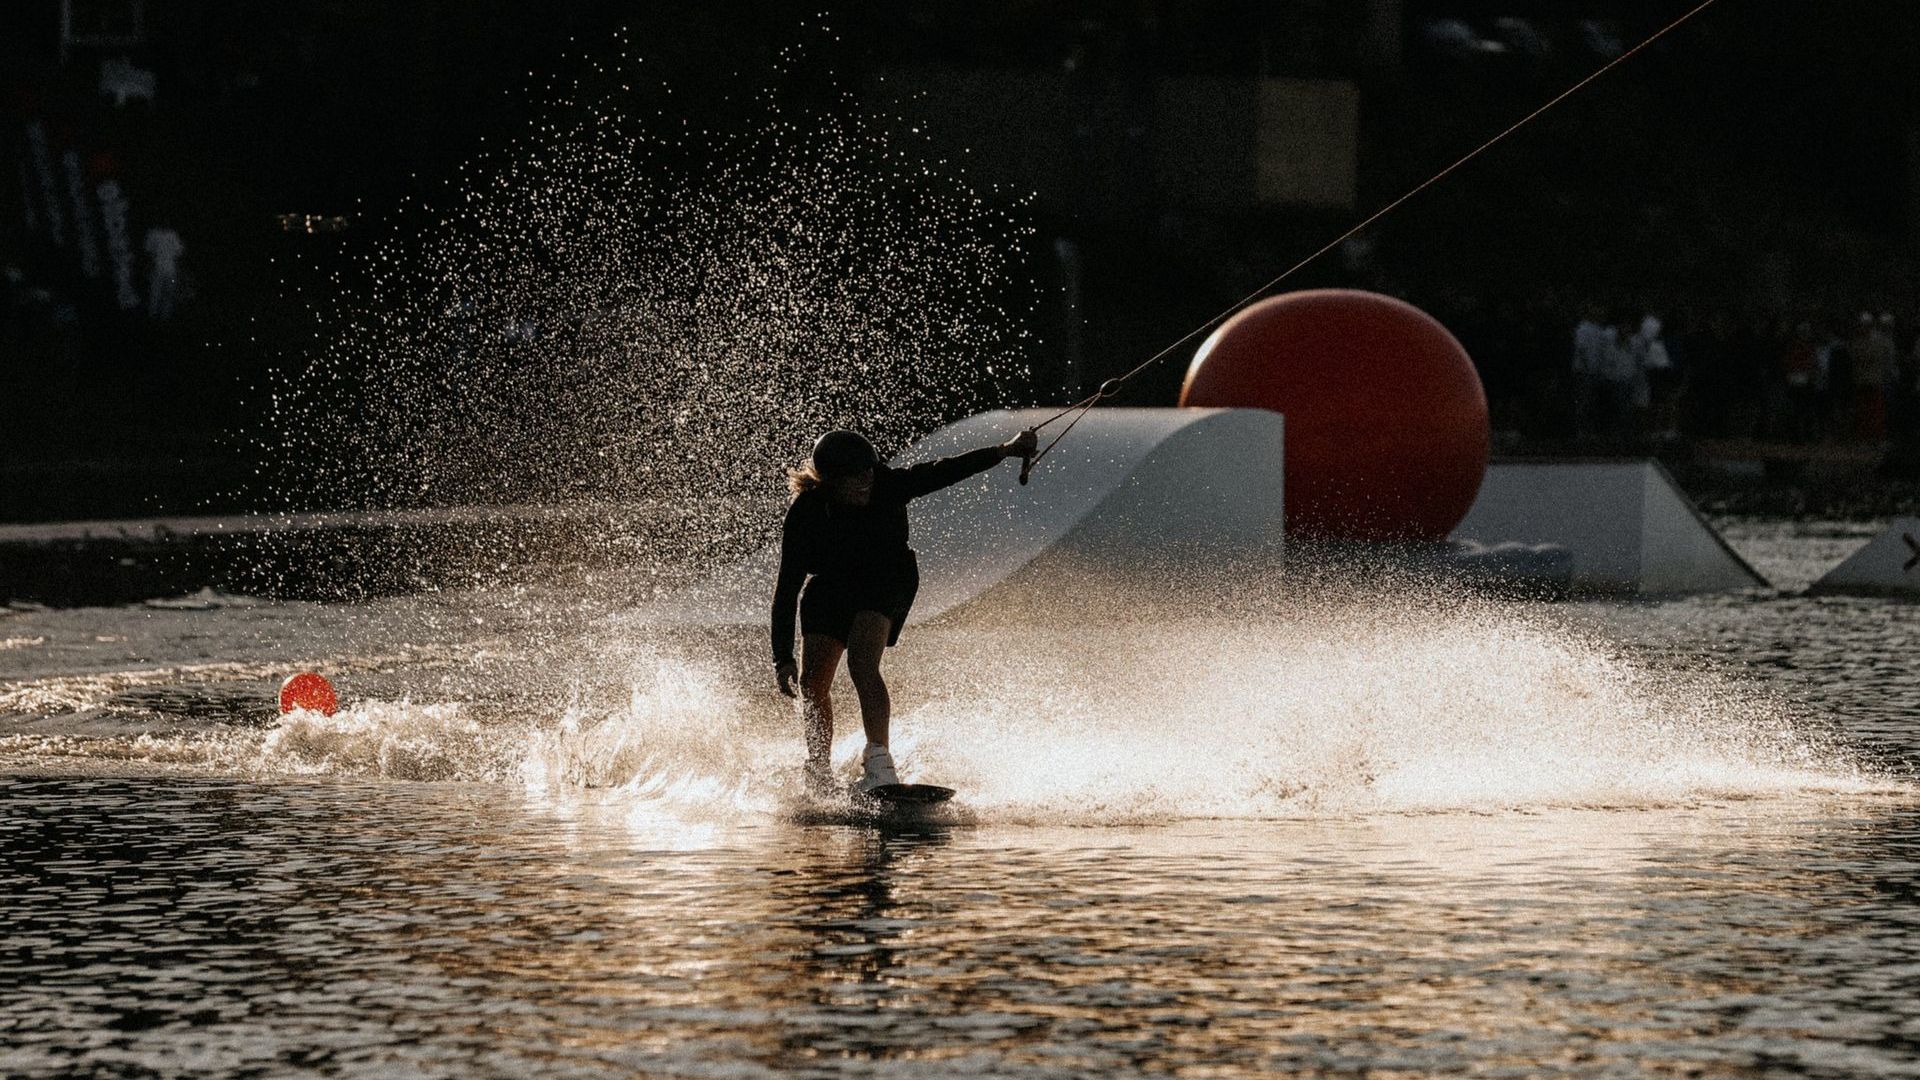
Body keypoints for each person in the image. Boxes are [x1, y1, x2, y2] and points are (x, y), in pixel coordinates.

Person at [772, 426, 1039, 797]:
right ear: (830, 481)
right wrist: (781, 656)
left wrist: (1004, 451)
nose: (866, 480)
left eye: (869, 470)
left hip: (886, 578)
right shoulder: (807, 512)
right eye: (856, 477)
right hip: (831, 586)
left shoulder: (887, 483)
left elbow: (944, 470)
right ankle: (818, 769)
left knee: (862, 665)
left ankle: (880, 765)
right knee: (812, 682)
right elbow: (786, 588)